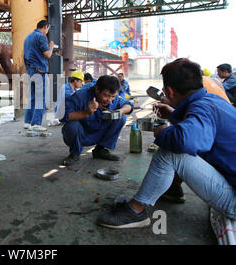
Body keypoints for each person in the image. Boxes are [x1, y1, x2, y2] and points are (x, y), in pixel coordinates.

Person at [97, 59, 236, 229]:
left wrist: (161, 131)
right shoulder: (214, 100)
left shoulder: (202, 108)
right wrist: (175, 114)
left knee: (171, 151)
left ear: (169, 91)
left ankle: (135, 211)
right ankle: (172, 190)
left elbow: (184, 141)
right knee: (181, 137)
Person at [61, 75, 133, 166]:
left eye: (113, 97)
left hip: (100, 134)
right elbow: (64, 116)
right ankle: (75, 153)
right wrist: (86, 113)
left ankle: (100, 150)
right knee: (71, 126)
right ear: (97, 89)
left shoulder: (113, 97)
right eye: (106, 96)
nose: (110, 100)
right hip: (82, 135)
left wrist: (120, 111)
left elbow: (128, 105)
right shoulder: (80, 96)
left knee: (121, 117)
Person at [23, 20, 55, 132]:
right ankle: (36, 124)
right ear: (46, 27)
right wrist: (51, 46)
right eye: (48, 29)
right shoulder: (41, 37)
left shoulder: (28, 37)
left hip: (31, 71)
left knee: (32, 98)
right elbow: (48, 54)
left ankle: (27, 122)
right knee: (41, 99)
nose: (47, 32)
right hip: (39, 71)